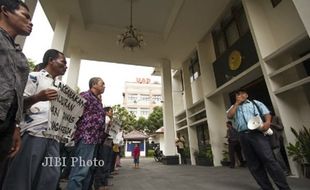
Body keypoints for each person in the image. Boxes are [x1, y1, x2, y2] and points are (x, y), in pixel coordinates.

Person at [2, 49, 67, 190]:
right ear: (51, 60)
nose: (66, 66)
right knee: (22, 176)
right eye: (63, 62)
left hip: (54, 137)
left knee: (50, 177)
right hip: (33, 133)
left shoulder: (61, 87)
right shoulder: (33, 77)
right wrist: (38, 97)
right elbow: (18, 104)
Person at [227, 89, 290, 190]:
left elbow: (266, 113)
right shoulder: (234, 107)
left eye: (242, 93)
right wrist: (237, 103)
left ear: (246, 95)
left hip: (257, 134)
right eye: (237, 95)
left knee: (269, 160)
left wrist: (267, 122)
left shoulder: (255, 103)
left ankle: (284, 188)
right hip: (243, 136)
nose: (240, 96)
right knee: (253, 164)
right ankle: (266, 188)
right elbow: (229, 116)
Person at [0, 0, 32, 187]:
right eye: (25, 16)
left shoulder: (20, 56)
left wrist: (16, 126)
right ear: (5, 11)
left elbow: (18, 95)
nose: (30, 22)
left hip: (7, 122)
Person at [67, 77, 106, 190]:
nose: (104, 86)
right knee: (80, 169)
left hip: (95, 139)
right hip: (86, 138)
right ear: (94, 85)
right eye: (102, 84)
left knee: (89, 169)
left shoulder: (98, 101)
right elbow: (73, 113)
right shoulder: (84, 96)